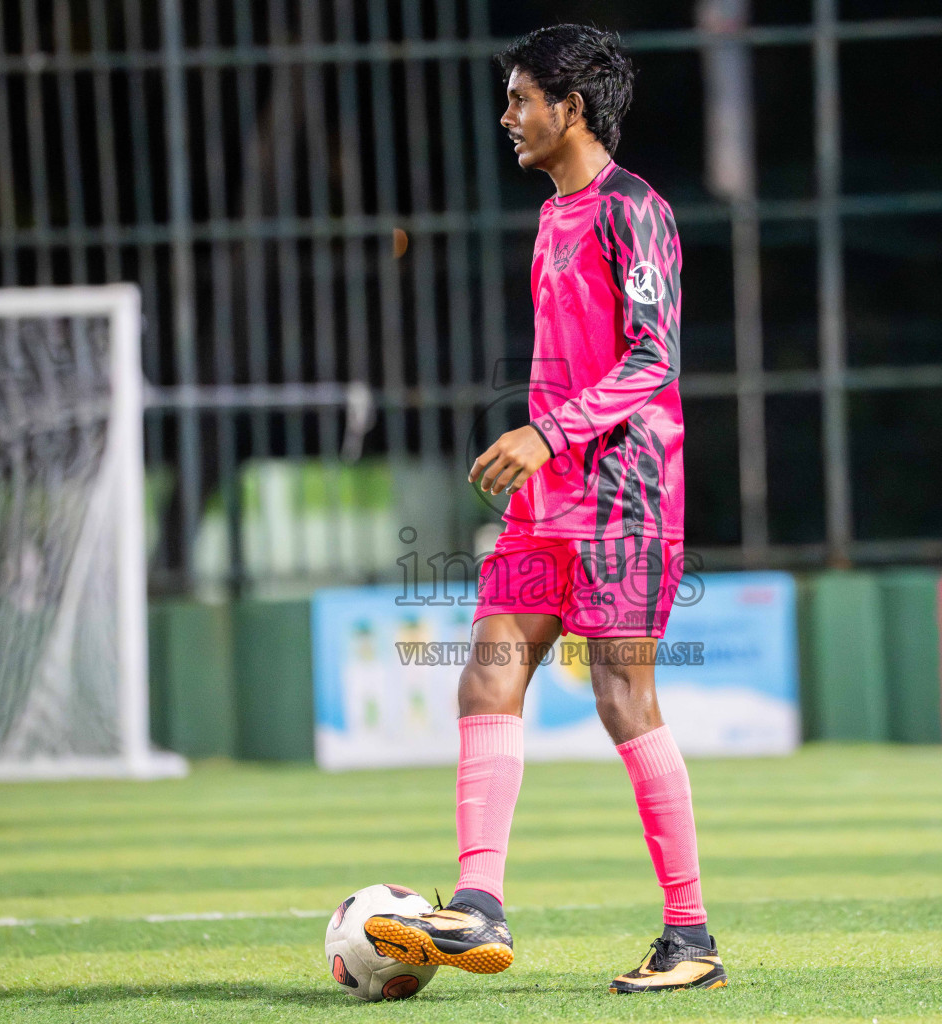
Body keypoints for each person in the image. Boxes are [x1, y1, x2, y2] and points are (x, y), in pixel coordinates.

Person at [363, 24, 725, 994]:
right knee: (486, 673)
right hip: (546, 502)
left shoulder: (634, 210)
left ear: (570, 106)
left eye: (522, 98)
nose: (507, 116)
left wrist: (546, 433)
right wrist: (541, 454)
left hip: (626, 498)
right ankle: (478, 905)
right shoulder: (552, 215)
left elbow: (655, 358)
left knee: (622, 698)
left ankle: (690, 935)